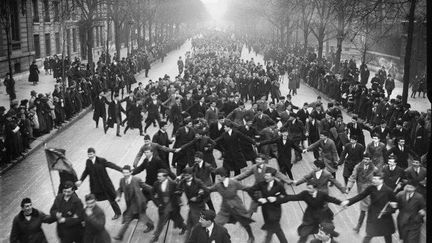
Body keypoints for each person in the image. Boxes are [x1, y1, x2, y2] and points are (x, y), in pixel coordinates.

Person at [341, 172, 397, 243]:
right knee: (369, 234)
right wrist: (348, 201)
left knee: (387, 235)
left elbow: (395, 205)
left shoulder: (388, 191)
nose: (373, 180)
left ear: (381, 180)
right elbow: (361, 196)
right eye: (373, 178)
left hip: (384, 216)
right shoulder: (371, 188)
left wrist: (387, 211)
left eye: (376, 179)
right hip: (373, 214)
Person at [279, 181, 343, 243]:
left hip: (322, 215)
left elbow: (331, 199)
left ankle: (331, 236)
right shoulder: (305, 194)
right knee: (304, 234)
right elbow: (294, 197)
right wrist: (283, 197)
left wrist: (341, 203)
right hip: (310, 216)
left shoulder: (322, 194)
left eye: (310, 188)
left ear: (315, 188)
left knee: (326, 231)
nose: (308, 190)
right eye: (307, 188)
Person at [208, 167, 255, 243]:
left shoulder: (234, 183)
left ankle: (251, 236)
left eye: (218, 176)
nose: (217, 178)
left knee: (245, 222)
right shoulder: (218, 185)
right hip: (225, 209)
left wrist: (256, 189)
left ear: (223, 176)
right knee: (216, 223)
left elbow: (245, 188)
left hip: (237, 207)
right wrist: (201, 189)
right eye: (217, 177)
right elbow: (209, 189)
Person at [75, 148, 122, 220]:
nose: (90, 156)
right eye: (88, 154)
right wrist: (81, 180)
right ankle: (92, 214)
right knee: (91, 199)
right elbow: (86, 171)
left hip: (104, 185)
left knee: (111, 198)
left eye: (91, 154)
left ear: (94, 153)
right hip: (95, 186)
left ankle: (118, 213)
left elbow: (111, 165)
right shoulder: (88, 162)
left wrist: (122, 170)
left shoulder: (101, 160)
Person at [245, 168, 288, 243]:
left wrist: (276, 198)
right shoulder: (262, 184)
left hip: (275, 210)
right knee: (273, 228)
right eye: (265, 176)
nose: (265, 177)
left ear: (273, 177)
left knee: (273, 227)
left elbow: (284, 197)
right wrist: (258, 199)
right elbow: (250, 190)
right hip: (265, 210)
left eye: (267, 176)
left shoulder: (279, 185)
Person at [114, 166, 154, 240]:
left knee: (128, 218)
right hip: (130, 203)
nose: (125, 174)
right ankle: (150, 225)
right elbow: (120, 189)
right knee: (141, 216)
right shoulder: (122, 180)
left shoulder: (136, 179)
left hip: (139, 202)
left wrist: (155, 191)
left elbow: (145, 186)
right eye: (124, 172)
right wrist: (118, 196)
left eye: (127, 172)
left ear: (131, 172)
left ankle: (120, 235)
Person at [150, 169, 187, 242]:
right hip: (163, 208)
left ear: (165, 177)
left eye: (160, 176)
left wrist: (179, 194)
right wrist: (157, 203)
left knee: (178, 221)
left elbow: (179, 191)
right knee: (161, 223)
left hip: (173, 207)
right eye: (158, 176)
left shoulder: (173, 184)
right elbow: (152, 193)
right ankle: (155, 237)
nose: (158, 178)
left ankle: (184, 227)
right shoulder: (156, 184)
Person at [345, 154, 378, 234]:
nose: (366, 161)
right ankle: (359, 226)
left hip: (371, 190)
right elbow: (353, 177)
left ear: (370, 160)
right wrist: (348, 187)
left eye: (367, 159)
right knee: (364, 209)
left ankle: (367, 226)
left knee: (369, 208)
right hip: (362, 191)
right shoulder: (358, 167)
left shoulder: (374, 168)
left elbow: (378, 179)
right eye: (364, 159)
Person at [177, 167, 210, 237]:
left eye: (187, 175)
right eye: (184, 175)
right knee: (190, 225)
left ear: (192, 174)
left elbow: (207, 191)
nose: (186, 177)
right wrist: (179, 193)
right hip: (191, 206)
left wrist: (198, 198)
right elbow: (179, 190)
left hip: (199, 206)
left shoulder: (198, 182)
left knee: (197, 225)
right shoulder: (182, 181)